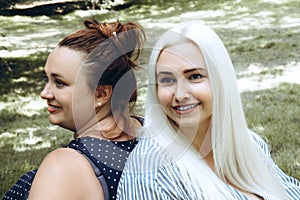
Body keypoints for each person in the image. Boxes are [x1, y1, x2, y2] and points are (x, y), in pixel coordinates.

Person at [117, 21, 300, 199]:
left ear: (222, 80)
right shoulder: (151, 174)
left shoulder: (249, 144)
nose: (180, 95)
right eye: (167, 80)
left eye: (195, 76)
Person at [3, 19, 145, 200]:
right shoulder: (148, 131)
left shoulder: (64, 167)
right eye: (47, 79)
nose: (44, 93)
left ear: (100, 95)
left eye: (59, 83)